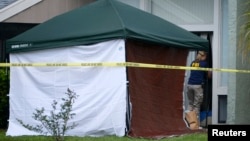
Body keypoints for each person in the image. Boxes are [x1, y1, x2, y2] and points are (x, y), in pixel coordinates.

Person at [185, 50, 211, 129]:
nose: (206, 58)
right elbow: (209, 76)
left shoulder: (193, 62)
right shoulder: (204, 64)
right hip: (197, 86)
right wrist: (210, 71)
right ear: (203, 56)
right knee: (197, 105)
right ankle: (196, 125)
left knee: (190, 104)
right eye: (206, 56)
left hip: (189, 85)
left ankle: (189, 124)